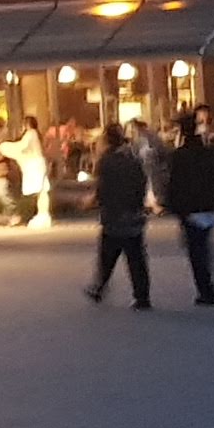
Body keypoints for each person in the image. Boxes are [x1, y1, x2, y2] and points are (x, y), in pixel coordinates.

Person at [162, 110, 214, 306]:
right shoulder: (210, 153)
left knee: (196, 250)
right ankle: (210, 285)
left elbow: (174, 183)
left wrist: (171, 205)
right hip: (209, 205)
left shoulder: (179, 156)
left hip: (189, 208)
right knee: (203, 246)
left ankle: (207, 290)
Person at [88, 118, 155, 308]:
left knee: (107, 255)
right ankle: (142, 296)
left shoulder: (105, 162)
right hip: (133, 214)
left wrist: (96, 202)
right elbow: (141, 182)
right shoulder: (132, 159)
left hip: (113, 215)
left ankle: (99, 287)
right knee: (136, 257)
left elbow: (102, 188)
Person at [2, 120, 56, 229]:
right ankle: (43, 214)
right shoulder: (36, 135)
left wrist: (5, 146)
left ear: (26, 125)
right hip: (39, 164)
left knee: (41, 192)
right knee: (42, 191)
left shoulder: (30, 133)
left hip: (35, 165)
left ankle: (43, 215)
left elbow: (22, 146)